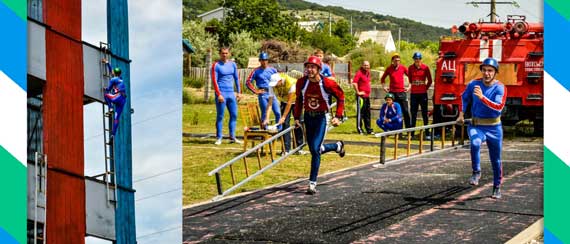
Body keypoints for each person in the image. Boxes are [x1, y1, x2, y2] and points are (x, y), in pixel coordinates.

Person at [294, 56, 345, 195]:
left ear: (318, 69)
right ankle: (336, 146)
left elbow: (340, 96)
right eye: (308, 67)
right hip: (308, 117)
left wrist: (338, 116)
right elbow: (298, 100)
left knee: (315, 150)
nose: (309, 70)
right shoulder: (301, 83)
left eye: (313, 67)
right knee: (314, 149)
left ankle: (312, 183)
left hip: (322, 117)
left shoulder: (327, 83)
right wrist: (297, 117)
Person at [456, 57, 507, 199]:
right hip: (476, 125)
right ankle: (476, 171)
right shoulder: (473, 84)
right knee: (475, 142)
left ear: (495, 72)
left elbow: (498, 108)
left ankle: (497, 186)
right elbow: (464, 98)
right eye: (484, 70)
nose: (487, 73)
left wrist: (482, 97)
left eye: (490, 71)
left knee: (496, 159)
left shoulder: (500, 87)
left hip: (494, 128)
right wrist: (461, 114)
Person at [263, 71, 305, 155]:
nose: (274, 86)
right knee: (285, 125)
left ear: (280, 81)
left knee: (298, 123)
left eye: (276, 84)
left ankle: (299, 147)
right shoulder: (272, 86)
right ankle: (286, 149)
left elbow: (290, 102)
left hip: (296, 101)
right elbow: (270, 102)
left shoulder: (291, 84)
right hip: (284, 101)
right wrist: (267, 118)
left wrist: (283, 117)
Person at [211, 47, 243, 145]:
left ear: (229, 54)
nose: (224, 55)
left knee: (234, 115)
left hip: (231, 94)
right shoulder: (216, 65)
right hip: (221, 94)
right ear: (220, 54)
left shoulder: (233, 64)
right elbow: (214, 81)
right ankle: (219, 137)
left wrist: (239, 92)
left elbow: (237, 79)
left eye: (226, 53)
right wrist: (219, 94)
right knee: (220, 116)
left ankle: (232, 137)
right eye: (222, 53)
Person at [246, 52, 281, 130]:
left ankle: (279, 131)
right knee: (265, 113)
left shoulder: (273, 70)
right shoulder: (256, 71)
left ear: (267, 60)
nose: (264, 61)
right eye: (262, 60)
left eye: (265, 60)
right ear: (259, 60)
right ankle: (264, 131)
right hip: (263, 94)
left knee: (278, 112)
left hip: (272, 93)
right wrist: (255, 91)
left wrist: (278, 89)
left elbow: (280, 79)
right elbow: (248, 82)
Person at [380, 53, 411, 130]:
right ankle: (396, 129)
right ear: (392, 61)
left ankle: (408, 130)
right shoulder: (389, 68)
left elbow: (411, 77)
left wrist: (409, 87)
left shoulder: (403, 68)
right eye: (395, 60)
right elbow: (382, 79)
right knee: (395, 113)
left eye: (398, 60)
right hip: (392, 94)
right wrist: (384, 87)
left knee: (406, 111)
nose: (397, 62)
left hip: (401, 92)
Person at [408, 52, 433, 138]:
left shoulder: (425, 68)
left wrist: (425, 88)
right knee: (413, 113)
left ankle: (427, 133)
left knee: (424, 113)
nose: (417, 60)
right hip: (414, 93)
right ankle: (412, 133)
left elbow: (430, 80)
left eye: (418, 59)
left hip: (422, 93)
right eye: (415, 59)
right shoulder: (410, 68)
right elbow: (410, 80)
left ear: (421, 59)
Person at [102, 58, 127, 138]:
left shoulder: (113, 79)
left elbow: (109, 89)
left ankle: (111, 108)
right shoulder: (120, 79)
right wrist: (107, 63)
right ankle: (113, 134)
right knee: (116, 118)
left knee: (106, 95)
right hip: (123, 100)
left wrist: (105, 88)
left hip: (117, 97)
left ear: (114, 73)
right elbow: (112, 72)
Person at [352, 60, 373, 134]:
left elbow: (368, 82)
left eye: (367, 65)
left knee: (367, 113)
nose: (366, 67)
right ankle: (360, 129)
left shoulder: (368, 73)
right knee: (361, 113)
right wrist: (358, 92)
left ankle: (369, 129)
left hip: (367, 96)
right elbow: (354, 83)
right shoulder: (359, 73)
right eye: (365, 65)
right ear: (362, 65)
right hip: (361, 97)